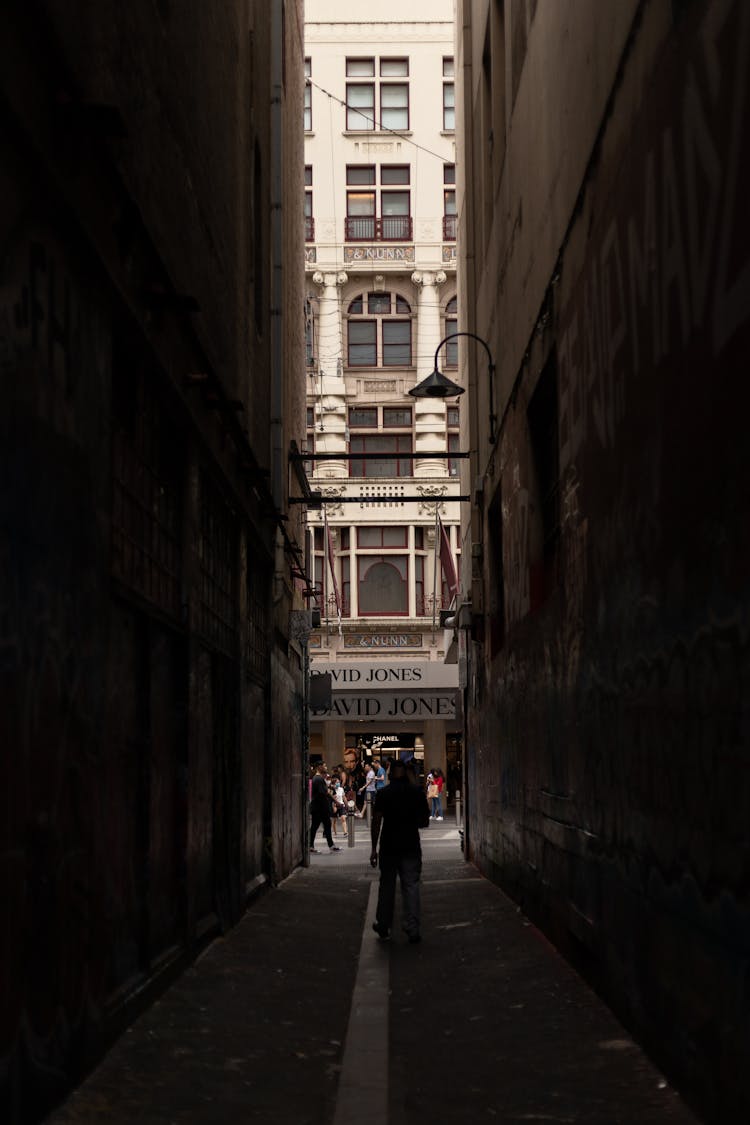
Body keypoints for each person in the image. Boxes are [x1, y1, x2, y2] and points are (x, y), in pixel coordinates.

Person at [370, 757, 430, 943]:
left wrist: (374, 848)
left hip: (389, 846)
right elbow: (424, 822)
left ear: (389, 775)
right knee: (411, 886)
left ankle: (383, 924)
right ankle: (413, 928)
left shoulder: (384, 794)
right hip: (411, 845)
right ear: (406, 774)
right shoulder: (416, 793)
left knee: (387, 885)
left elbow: (377, 821)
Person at [309, 764, 340, 853]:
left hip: (319, 808)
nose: (326, 767)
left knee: (321, 826)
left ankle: (329, 845)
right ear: (319, 767)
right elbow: (325, 793)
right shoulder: (318, 779)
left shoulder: (318, 778)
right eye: (324, 766)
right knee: (320, 826)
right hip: (319, 808)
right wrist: (336, 801)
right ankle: (329, 845)